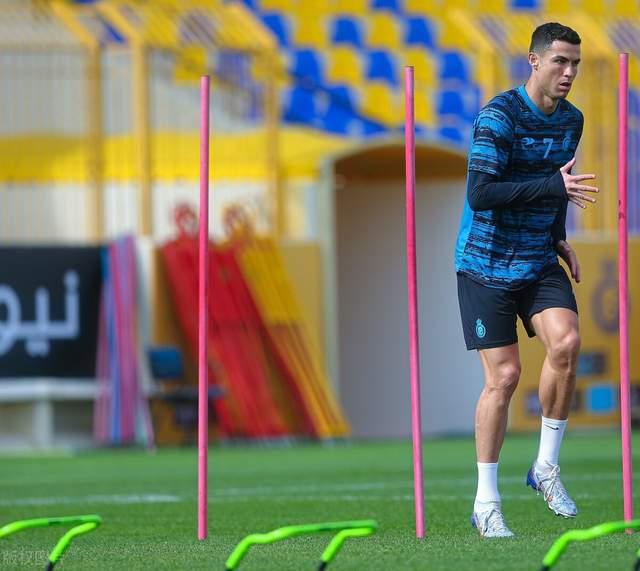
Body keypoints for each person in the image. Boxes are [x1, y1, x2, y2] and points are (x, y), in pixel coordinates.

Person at [454, 22, 598, 538]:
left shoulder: (572, 120)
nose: (569, 72)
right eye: (560, 61)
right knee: (506, 377)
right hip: (485, 264)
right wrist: (550, 187)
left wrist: (559, 237)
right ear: (534, 61)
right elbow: (481, 195)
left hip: (538, 259)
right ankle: (486, 502)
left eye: (575, 63)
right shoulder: (499, 116)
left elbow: (560, 186)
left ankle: (546, 468)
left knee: (567, 343)